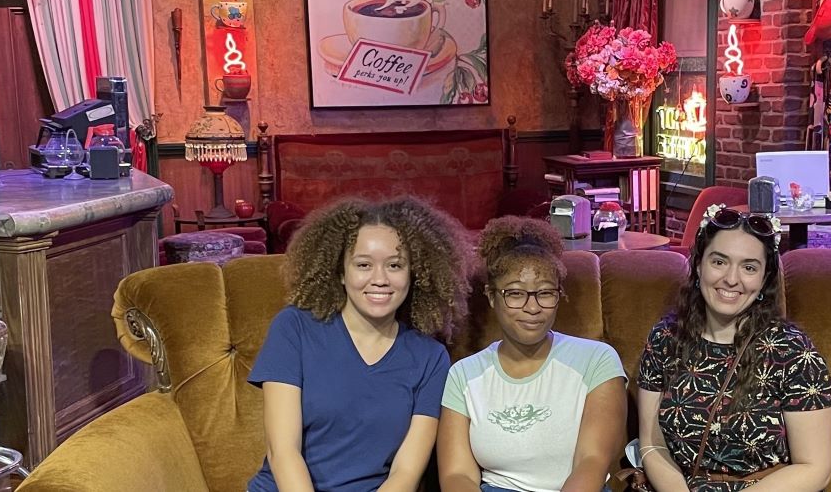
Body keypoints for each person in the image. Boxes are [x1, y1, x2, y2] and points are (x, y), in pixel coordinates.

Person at [247, 197, 473, 492]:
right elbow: (283, 452)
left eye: (394, 265)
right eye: (363, 265)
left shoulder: (430, 358)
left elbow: (405, 474)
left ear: (413, 273)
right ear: (341, 272)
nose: (379, 279)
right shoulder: (294, 328)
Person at [635, 204, 831, 492]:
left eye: (749, 267)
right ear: (698, 265)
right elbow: (653, 444)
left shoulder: (793, 352)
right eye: (719, 262)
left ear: (765, 279)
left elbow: (814, 468)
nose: (731, 279)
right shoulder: (665, 339)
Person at [438, 217, 627, 492]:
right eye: (515, 294)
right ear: (492, 297)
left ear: (559, 295)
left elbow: (592, 461)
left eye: (545, 293)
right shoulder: (464, 375)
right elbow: (458, 476)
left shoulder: (597, 360)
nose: (532, 307)